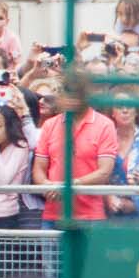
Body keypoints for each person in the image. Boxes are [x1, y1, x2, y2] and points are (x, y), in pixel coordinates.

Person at [32, 69, 119, 222]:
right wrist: (46, 185)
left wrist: (69, 185)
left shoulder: (105, 125)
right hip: (53, 216)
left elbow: (104, 171)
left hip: (90, 218)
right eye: (67, 92)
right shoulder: (50, 125)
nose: (71, 98)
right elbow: (39, 168)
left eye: (76, 92)